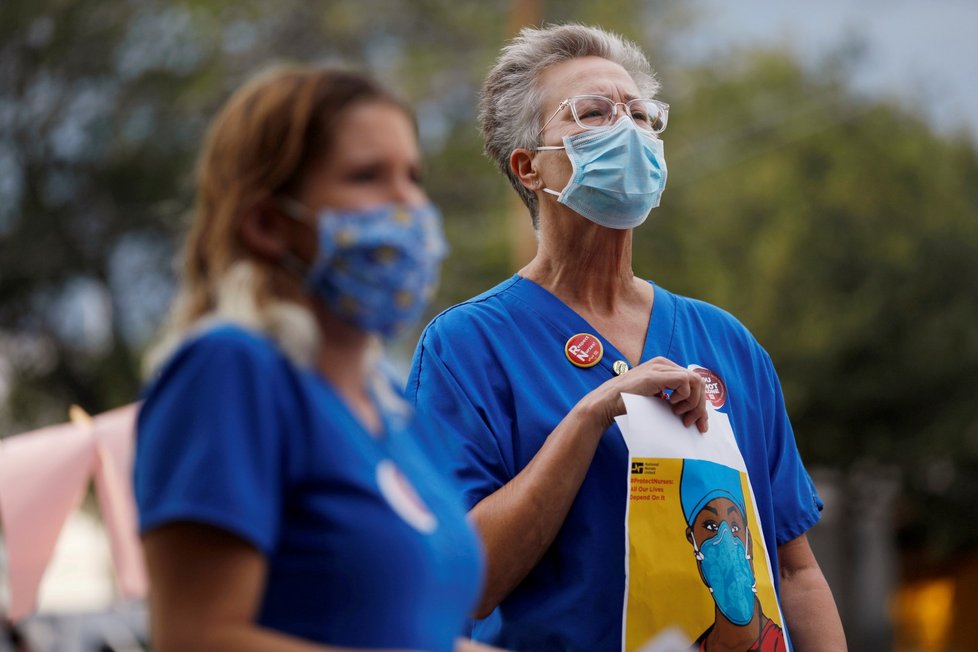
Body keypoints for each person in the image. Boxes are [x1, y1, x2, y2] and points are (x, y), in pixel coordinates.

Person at [407, 24, 847, 651]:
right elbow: (462, 582)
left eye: (641, 115)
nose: (629, 130)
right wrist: (591, 417)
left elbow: (796, 571)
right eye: (593, 113)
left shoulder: (726, 342)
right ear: (529, 167)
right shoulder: (468, 347)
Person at [134, 64, 493, 652]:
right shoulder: (228, 371)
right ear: (268, 223)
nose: (409, 206)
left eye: (413, 176)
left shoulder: (394, 410)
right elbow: (196, 636)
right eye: (367, 176)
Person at [680, 459, 786, 651]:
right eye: (711, 527)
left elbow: (799, 572)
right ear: (692, 539)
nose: (727, 543)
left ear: (749, 543)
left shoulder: (778, 643)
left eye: (735, 526)